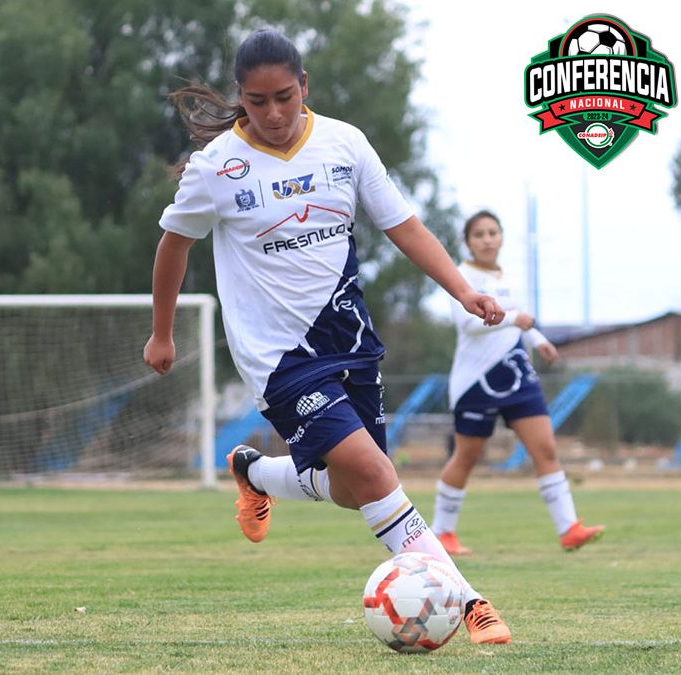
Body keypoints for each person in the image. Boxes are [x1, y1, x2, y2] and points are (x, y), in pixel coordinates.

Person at [144, 29, 511, 645]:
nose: (274, 114)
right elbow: (172, 246)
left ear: (304, 86)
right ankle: (467, 599)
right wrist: (161, 334)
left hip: (350, 342)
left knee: (353, 488)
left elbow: (404, 226)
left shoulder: (344, 144)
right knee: (373, 474)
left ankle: (257, 474)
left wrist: (462, 290)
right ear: (242, 96)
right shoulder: (216, 170)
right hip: (278, 359)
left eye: (285, 97)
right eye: (258, 102)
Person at [431, 210, 604, 555]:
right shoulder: (461, 276)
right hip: (475, 381)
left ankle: (568, 528)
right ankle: (441, 533)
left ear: (501, 237)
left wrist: (538, 339)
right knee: (467, 457)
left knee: (546, 449)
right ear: (468, 242)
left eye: (493, 232)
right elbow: (469, 324)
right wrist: (515, 319)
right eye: (478, 234)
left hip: (516, 373)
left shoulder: (509, 276)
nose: (487, 239)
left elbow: (523, 321)